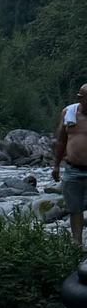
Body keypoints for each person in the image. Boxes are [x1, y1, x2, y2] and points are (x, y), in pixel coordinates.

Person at [53, 84, 87, 248]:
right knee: (75, 209)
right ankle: (77, 244)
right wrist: (56, 166)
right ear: (80, 98)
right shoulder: (69, 113)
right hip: (73, 169)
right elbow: (61, 141)